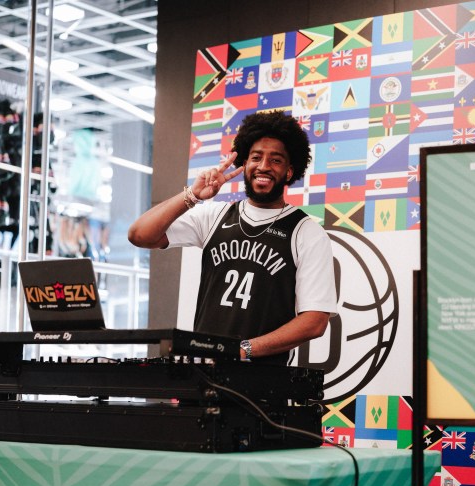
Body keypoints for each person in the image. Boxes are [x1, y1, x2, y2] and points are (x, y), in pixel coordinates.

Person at [128, 111, 337, 364]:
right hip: (202, 375)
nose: (263, 166)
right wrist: (193, 195)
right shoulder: (215, 215)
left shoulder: (306, 232)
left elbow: (315, 321)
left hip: (261, 387)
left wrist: (242, 349)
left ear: (290, 172)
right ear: (245, 165)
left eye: (276, 160)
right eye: (256, 158)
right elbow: (140, 235)